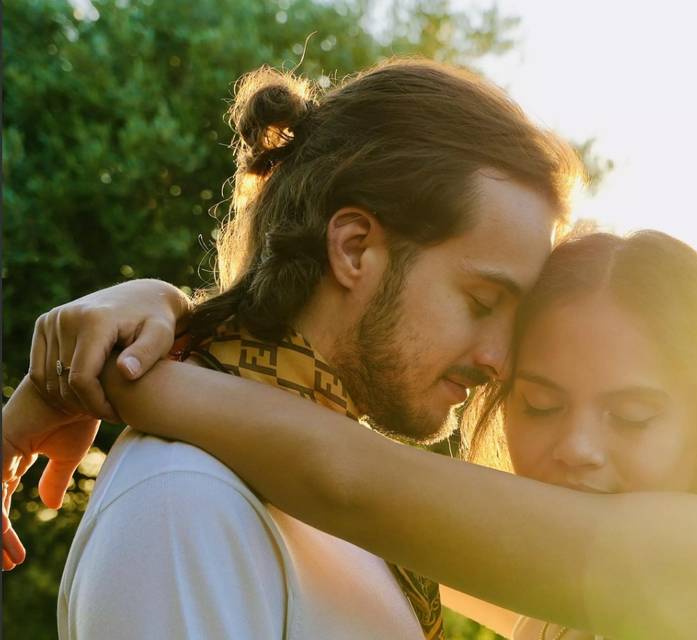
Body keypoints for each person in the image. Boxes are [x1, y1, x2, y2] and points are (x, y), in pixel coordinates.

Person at [6, 230, 697, 638]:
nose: (579, 447)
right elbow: (338, 503)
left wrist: (118, 375)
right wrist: (164, 312)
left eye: (632, 415)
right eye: (539, 403)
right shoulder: (557, 610)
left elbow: (347, 479)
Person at [2, 57, 580, 639]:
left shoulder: (357, 516)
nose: (499, 361)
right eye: (482, 302)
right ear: (354, 249)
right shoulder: (184, 501)